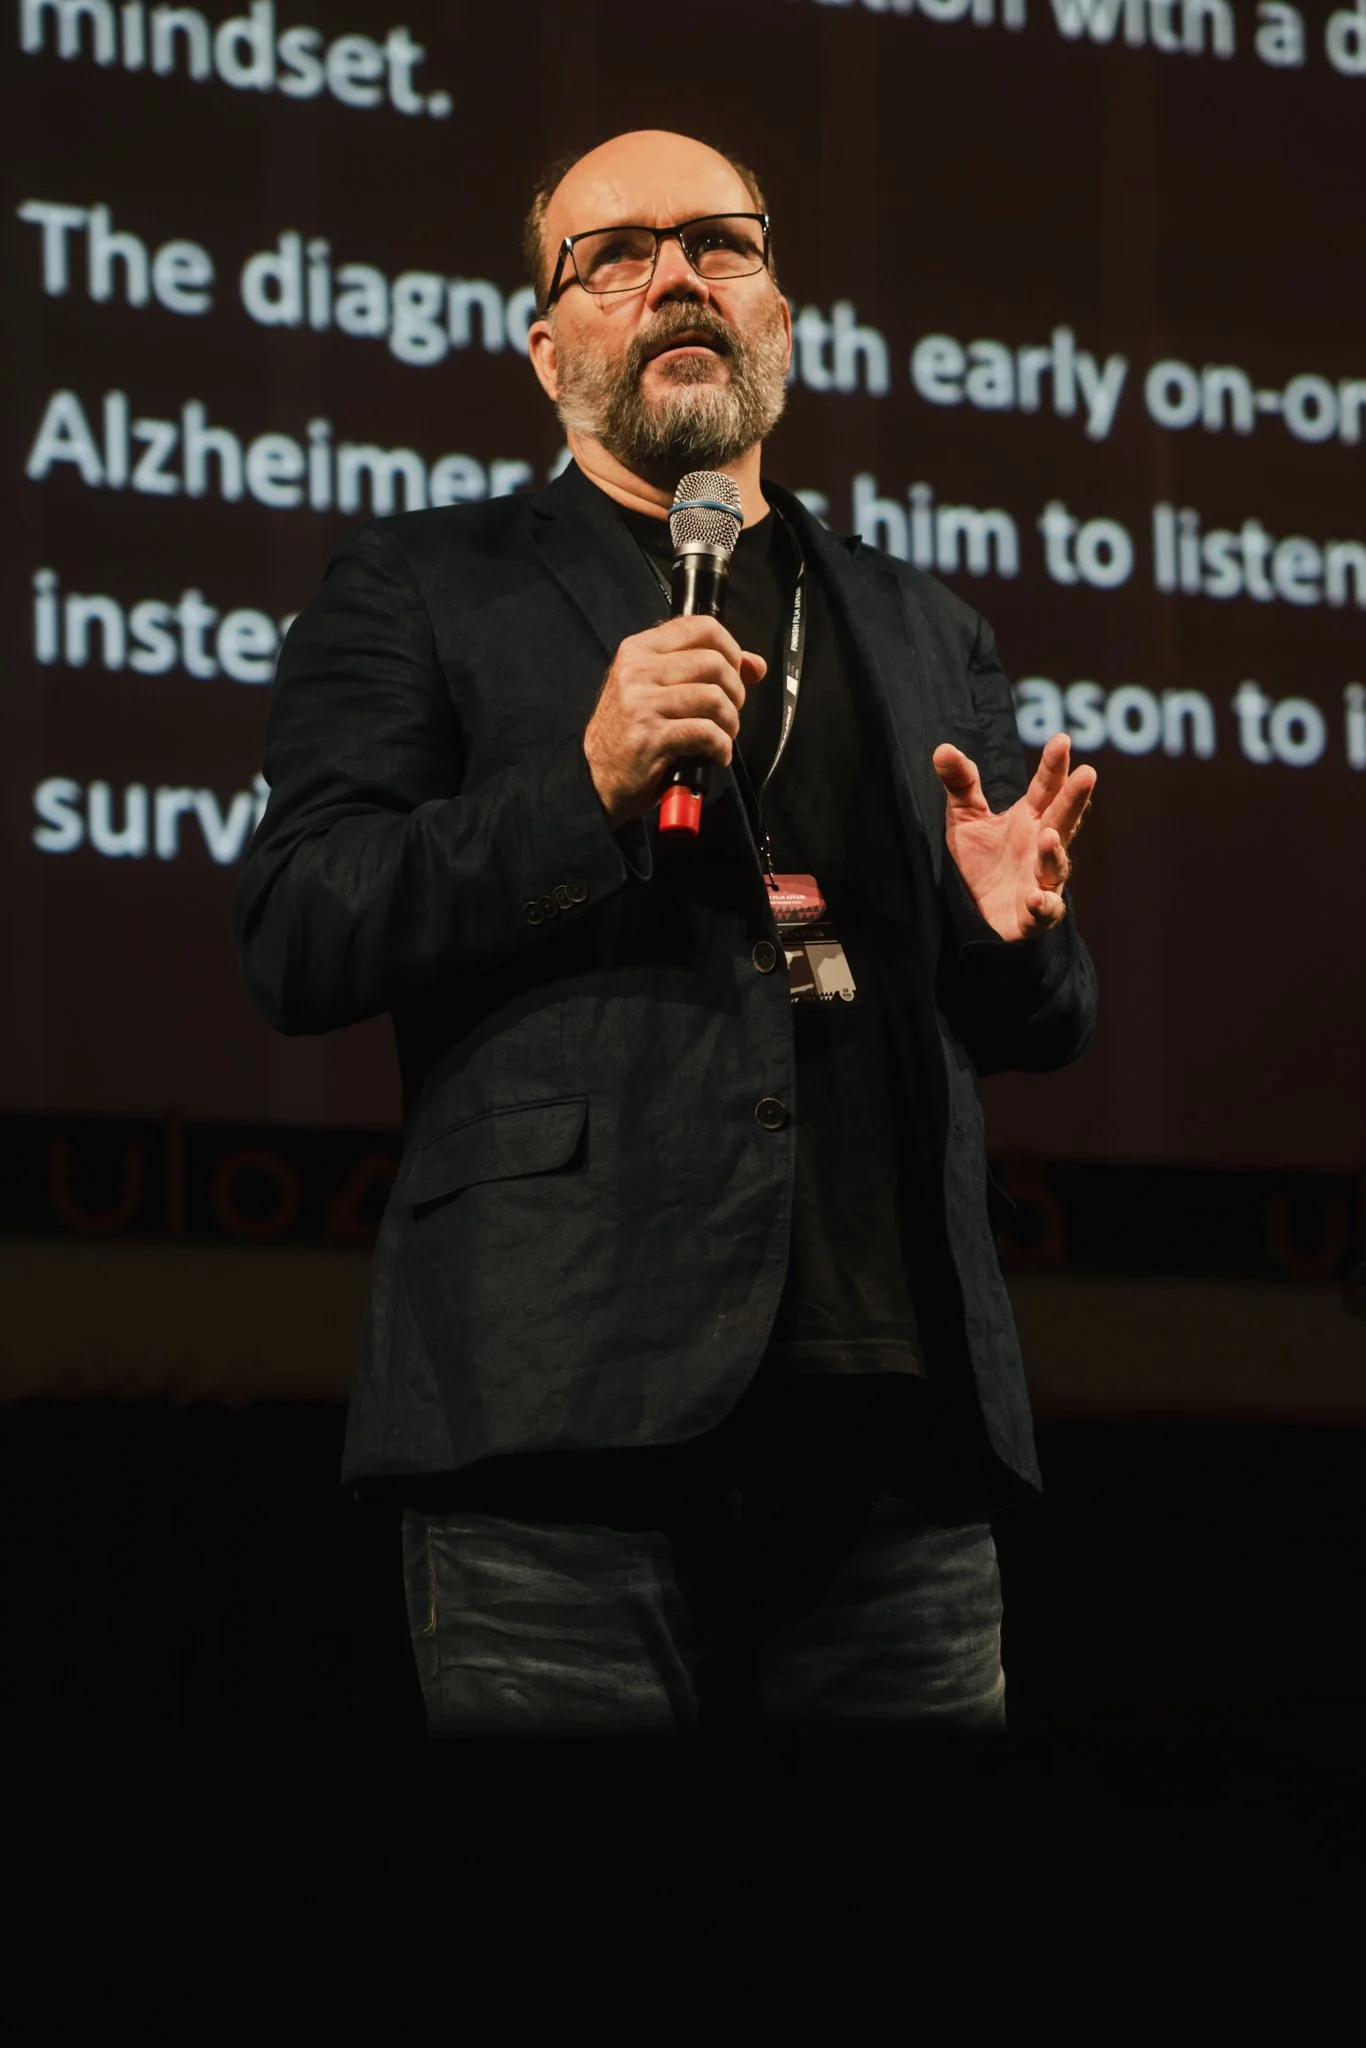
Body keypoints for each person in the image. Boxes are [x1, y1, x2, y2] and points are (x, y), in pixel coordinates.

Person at [234, 129, 1098, 1740]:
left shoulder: (924, 625)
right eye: (614, 254)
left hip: (894, 1431)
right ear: (546, 346)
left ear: (780, 310)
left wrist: (1002, 932)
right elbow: (296, 930)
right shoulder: (421, 585)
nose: (679, 276)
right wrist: (585, 788)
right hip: (560, 1421)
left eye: (720, 243)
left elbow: (1039, 1018)